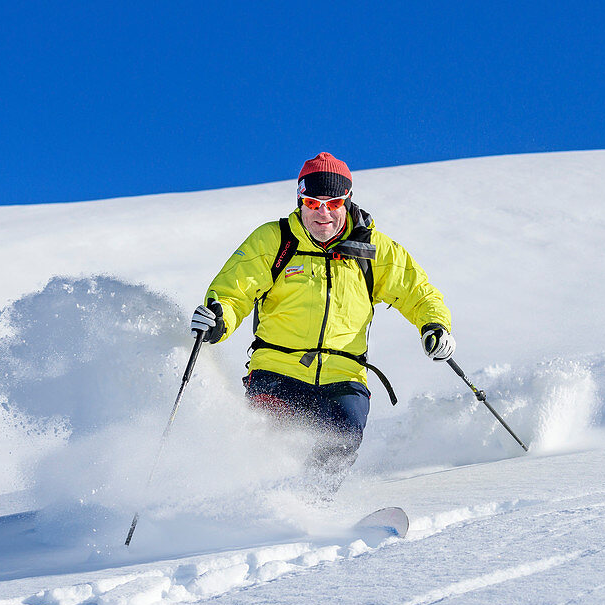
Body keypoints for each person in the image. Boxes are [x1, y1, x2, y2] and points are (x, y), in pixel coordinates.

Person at [190, 152, 454, 489]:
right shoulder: (276, 240)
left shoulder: (373, 248)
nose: (323, 213)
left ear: (347, 201)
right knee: (269, 444)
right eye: (313, 203)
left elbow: (418, 291)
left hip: (344, 374)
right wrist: (219, 318)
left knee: (340, 442)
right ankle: (258, 510)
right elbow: (235, 290)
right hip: (278, 369)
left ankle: (313, 514)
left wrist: (435, 325)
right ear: (300, 201)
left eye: (333, 202)